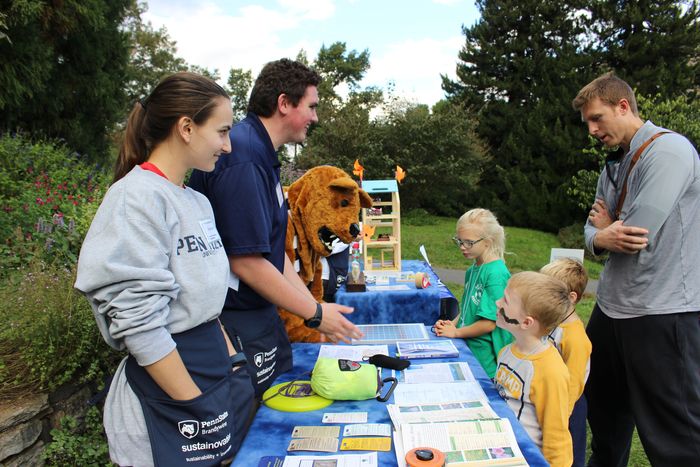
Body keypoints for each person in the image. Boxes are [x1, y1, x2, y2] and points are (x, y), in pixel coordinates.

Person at [75, 73, 254, 466]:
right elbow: (139, 324)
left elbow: (206, 304)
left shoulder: (195, 202)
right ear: (186, 128)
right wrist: (195, 405)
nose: (227, 146)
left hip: (210, 381)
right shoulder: (135, 199)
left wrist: (235, 369)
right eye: (222, 131)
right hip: (168, 400)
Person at [188, 58, 362, 396]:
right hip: (233, 321)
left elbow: (271, 252)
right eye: (311, 106)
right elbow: (246, 261)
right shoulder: (244, 157)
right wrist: (313, 313)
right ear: (284, 103)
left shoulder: (261, 154)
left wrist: (313, 310)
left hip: (259, 317)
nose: (315, 117)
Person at [573, 71, 700, 466]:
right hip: (612, 309)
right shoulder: (613, 163)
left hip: (663, 311)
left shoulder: (669, 151)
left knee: (672, 429)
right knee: (604, 410)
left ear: (623, 106)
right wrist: (602, 232)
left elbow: (634, 234)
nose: (592, 130)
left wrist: (608, 227)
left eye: (598, 119)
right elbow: (592, 233)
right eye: (588, 123)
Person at [494, 271, 573, 467]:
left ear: (526, 322)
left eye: (505, 300)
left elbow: (557, 437)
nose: (497, 303)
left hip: (526, 458)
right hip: (501, 447)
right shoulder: (507, 351)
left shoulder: (550, 371)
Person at [433, 208, 512, 379]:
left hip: (484, 361)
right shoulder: (472, 270)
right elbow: (469, 310)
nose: (462, 247)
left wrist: (456, 333)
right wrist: (452, 325)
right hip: (468, 347)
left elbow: (489, 323)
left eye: (469, 242)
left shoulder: (496, 274)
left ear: (488, 242)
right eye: (459, 241)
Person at [540, 258, 592, 467]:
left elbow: (574, 384)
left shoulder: (576, 338)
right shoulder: (553, 321)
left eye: (548, 292)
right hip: (548, 398)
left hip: (568, 409)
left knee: (569, 456)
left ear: (571, 298)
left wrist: (559, 416)